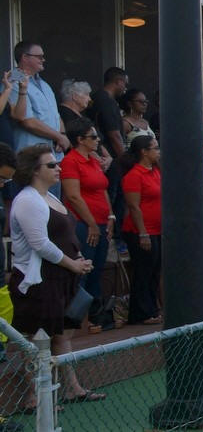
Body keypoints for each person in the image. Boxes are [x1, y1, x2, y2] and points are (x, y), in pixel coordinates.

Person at [6, 144, 101, 407]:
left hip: (61, 277)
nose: (58, 168)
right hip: (38, 280)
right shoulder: (27, 199)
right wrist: (73, 264)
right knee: (37, 339)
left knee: (61, 335)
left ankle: (72, 388)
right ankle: (34, 397)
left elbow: (65, 235)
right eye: (51, 165)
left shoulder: (50, 197)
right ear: (34, 170)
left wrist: (78, 259)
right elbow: (40, 244)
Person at [59, 119, 113, 332]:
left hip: (101, 221)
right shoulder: (71, 161)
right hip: (83, 223)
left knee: (97, 269)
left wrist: (111, 216)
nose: (98, 140)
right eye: (93, 137)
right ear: (80, 140)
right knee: (83, 269)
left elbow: (103, 189)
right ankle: (75, 318)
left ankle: (94, 317)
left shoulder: (93, 160)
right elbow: (73, 196)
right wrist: (91, 223)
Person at [119, 135, 163, 326]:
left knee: (154, 270)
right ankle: (142, 312)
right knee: (144, 270)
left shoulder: (155, 171)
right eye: (155, 148)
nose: (158, 152)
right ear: (144, 152)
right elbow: (133, 206)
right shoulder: (134, 175)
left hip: (157, 229)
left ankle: (151, 309)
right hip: (141, 230)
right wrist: (142, 232)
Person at [8, 42, 69, 151]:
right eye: (39, 57)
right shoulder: (13, 81)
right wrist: (58, 137)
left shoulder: (44, 84)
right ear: (25, 57)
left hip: (52, 151)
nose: (43, 60)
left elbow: (55, 114)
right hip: (31, 153)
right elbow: (26, 120)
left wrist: (62, 134)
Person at [90, 67, 129, 157]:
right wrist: (125, 159)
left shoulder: (97, 97)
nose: (125, 88)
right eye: (125, 84)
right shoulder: (106, 101)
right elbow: (114, 135)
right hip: (108, 155)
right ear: (119, 82)